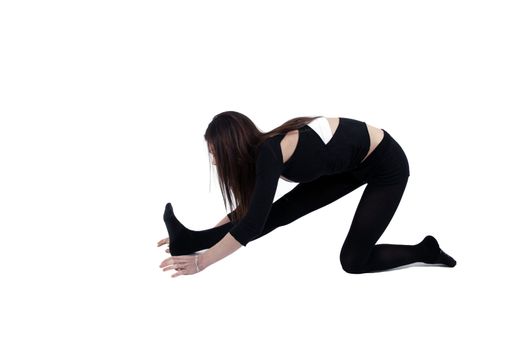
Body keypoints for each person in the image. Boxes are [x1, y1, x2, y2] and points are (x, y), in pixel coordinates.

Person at [158, 111, 456, 278]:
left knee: (353, 261)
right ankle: (189, 238)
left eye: (214, 153)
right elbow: (250, 212)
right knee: (278, 214)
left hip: (385, 165)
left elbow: (250, 225)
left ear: (231, 147)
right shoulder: (261, 153)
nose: (213, 160)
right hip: (347, 165)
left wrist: (202, 262)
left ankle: (425, 251)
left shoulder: (269, 154)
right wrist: (197, 242)